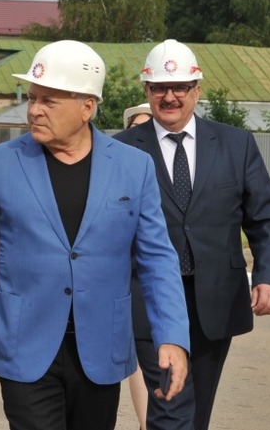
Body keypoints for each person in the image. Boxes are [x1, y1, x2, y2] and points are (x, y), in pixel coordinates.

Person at [0, 40, 190, 430]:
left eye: (49, 101)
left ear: (87, 107)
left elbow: (158, 261)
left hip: (101, 348)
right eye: (32, 98)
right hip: (24, 346)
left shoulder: (134, 167)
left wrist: (173, 336)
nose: (34, 110)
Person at [115, 39, 270, 430]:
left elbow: (264, 217)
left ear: (197, 90)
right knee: (172, 403)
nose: (170, 96)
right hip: (147, 298)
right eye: (160, 88)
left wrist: (267, 275)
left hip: (215, 300)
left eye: (180, 87)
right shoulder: (120, 150)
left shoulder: (236, 144)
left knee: (197, 409)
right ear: (146, 90)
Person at [123, 101, 153, 430]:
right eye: (136, 128)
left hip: (168, 272)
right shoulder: (118, 168)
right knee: (140, 355)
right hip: (129, 276)